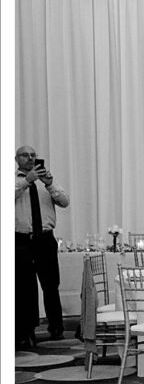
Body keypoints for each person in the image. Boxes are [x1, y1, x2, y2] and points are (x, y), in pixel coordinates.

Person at [15, 146, 69, 346]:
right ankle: (26, 331)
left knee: (51, 284)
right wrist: (26, 180)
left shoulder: (45, 182)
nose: (30, 158)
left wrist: (50, 184)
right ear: (16, 159)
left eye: (33, 155)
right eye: (25, 155)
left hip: (45, 239)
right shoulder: (15, 182)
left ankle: (56, 327)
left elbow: (65, 201)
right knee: (24, 287)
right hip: (20, 241)